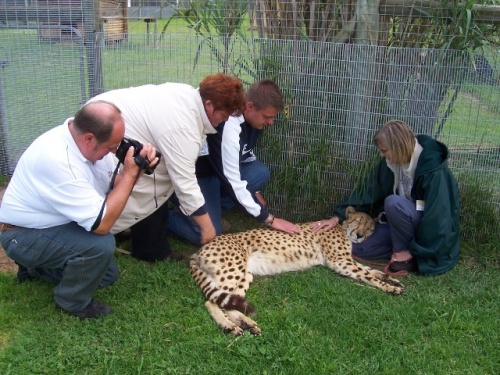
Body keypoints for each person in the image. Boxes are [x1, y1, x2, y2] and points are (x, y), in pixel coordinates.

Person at [0, 101, 159, 319]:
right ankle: (72, 301)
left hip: (54, 225)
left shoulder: (85, 145)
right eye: (112, 147)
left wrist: (137, 169)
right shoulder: (58, 159)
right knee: (99, 246)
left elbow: (115, 185)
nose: (115, 151)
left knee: (107, 274)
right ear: (89, 138)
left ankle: (34, 269)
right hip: (22, 235)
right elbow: (101, 225)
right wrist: (130, 175)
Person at [87, 73, 246, 261]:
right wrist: (207, 228)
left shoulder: (190, 96)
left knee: (156, 180)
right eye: (224, 115)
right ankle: (102, 235)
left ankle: (147, 246)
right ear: (209, 105)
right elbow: (184, 183)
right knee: (146, 185)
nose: (225, 120)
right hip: (103, 132)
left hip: (109, 120)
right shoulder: (182, 126)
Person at [311, 119, 460, 276]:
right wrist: (337, 218)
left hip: (428, 230)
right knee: (356, 247)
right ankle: (399, 252)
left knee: (394, 203)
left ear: (398, 148)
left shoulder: (434, 172)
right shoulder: (391, 162)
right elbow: (369, 194)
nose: (381, 154)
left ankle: (409, 255)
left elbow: (439, 219)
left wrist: (411, 251)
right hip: (399, 224)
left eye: (384, 150)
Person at [167, 79, 301, 246]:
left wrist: (255, 191)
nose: (270, 122)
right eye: (267, 117)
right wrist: (269, 219)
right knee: (208, 234)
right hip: (200, 176)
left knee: (259, 173)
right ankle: (162, 216)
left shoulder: (253, 121)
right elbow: (231, 180)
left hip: (220, 173)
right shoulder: (230, 124)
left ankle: (209, 210)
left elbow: (244, 154)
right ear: (250, 106)